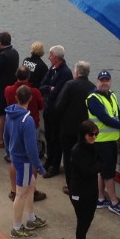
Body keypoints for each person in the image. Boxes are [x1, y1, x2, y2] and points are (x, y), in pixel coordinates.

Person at [85, 69, 120, 216]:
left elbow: (117, 113)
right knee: (108, 173)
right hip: (102, 141)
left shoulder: (111, 95)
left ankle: (101, 199)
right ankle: (114, 203)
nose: (105, 83)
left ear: (110, 81)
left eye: (107, 80)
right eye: (102, 80)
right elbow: (105, 118)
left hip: (109, 140)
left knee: (102, 171)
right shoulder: (93, 98)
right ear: (97, 82)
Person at [4, 85, 46, 239]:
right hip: (25, 162)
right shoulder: (27, 121)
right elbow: (31, 149)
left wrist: (9, 153)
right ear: (30, 98)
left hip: (16, 157)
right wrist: (39, 166)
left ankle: (31, 218)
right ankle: (16, 227)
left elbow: (6, 135)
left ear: (16, 98)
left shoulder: (10, 113)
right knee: (21, 194)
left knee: (31, 185)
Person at [4, 68, 46, 201]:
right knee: (31, 158)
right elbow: (40, 105)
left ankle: (13, 190)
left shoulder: (8, 90)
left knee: (14, 158)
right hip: (31, 126)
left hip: (13, 124)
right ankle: (31, 191)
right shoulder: (34, 92)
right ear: (28, 77)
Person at [52, 61, 93, 187]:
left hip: (68, 129)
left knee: (68, 155)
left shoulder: (69, 85)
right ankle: (83, 183)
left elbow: (59, 106)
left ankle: (71, 184)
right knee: (84, 157)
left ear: (76, 72)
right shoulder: (92, 88)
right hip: (85, 129)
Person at [67, 119, 102, 239]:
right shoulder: (77, 151)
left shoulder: (91, 147)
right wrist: (98, 166)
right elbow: (89, 171)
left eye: (95, 134)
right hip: (79, 192)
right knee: (83, 219)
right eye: (90, 135)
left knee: (88, 218)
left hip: (91, 189)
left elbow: (97, 164)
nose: (93, 137)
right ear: (83, 134)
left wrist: (97, 166)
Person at [40, 44, 72, 175]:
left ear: (57, 57)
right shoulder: (52, 69)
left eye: (51, 55)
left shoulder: (65, 73)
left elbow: (57, 92)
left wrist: (49, 89)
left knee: (56, 138)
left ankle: (55, 164)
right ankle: (49, 161)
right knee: (48, 136)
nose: (48, 57)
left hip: (57, 112)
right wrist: (49, 88)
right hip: (48, 110)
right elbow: (42, 85)